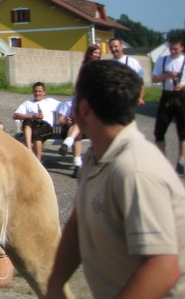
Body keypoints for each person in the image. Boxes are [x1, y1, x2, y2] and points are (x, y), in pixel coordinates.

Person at [45, 60, 185, 299]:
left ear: (84, 108)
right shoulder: (96, 157)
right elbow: (79, 222)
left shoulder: (134, 170)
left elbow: (163, 268)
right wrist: (55, 284)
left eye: (74, 99)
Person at [57, 43, 102, 174]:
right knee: (78, 126)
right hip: (83, 121)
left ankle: (68, 143)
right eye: (95, 52)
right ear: (90, 54)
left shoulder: (97, 68)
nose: (97, 55)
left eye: (99, 53)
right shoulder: (86, 68)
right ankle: (77, 165)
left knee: (79, 125)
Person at [151, 36, 185, 175]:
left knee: (183, 131)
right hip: (166, 96)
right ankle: (163, 161)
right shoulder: (162, 60)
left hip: (182, 96)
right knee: (159, 130)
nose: (173, 51)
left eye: (176, 49)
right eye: (171, 48)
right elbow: (154, 79)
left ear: (182, 48)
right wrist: (167, 75)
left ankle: (181, 161)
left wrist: (182, 85)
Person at [13, 82, 61, 162]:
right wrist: (33, 116)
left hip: (46, 127)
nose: (37, 93)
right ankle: (29, 148)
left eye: (40, 91)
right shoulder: (28, 103)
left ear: (44, 92)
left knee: (36, 133)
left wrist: (68, 117)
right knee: (28, 121)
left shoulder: (50, 101)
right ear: (32, 92)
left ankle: (37, 161)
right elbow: (15, 115)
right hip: (32, 128)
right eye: (35, 91)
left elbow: (65, 108)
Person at [108, 37, 146, 105]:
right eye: (111, 47)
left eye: (115, 46)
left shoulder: (132, 62)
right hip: (114, 100)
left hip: (129, 99)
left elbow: (141, 82)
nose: (113, 49)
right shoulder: (109, 64)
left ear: (121, 46)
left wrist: (140, 97)